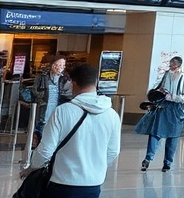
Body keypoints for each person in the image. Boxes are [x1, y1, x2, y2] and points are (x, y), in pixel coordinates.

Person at [22, 64, 120, 198]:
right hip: (93, 185)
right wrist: (93, 167)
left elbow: (46, 150)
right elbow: (113, 151)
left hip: (62, 183)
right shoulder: (112, 115)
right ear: (95, 82)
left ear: (73, 83)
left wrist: (32, 168)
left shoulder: (62, 111)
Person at [138, 56, 184, 172]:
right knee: (155, 133)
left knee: (172, 137)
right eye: (170, 64)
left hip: (175, 110)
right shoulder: (166, 74)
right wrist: (157, 94)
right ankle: (148, 158)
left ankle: (167, 162)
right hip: (163, 107)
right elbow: (157, 87)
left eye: (174, 65)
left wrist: (173, 97)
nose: (171, 66)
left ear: (179, 65)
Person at [32, 55, 72, 146]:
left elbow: (69, 93)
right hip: (44, 108)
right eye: (58, 64)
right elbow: (35, 89)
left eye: (63, 65)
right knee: (41, 127)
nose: (60, 67)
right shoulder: (42, 77)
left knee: (55, 129)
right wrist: (41, 97)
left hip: (58, 108)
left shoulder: (65, 78)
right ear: (52, 65)